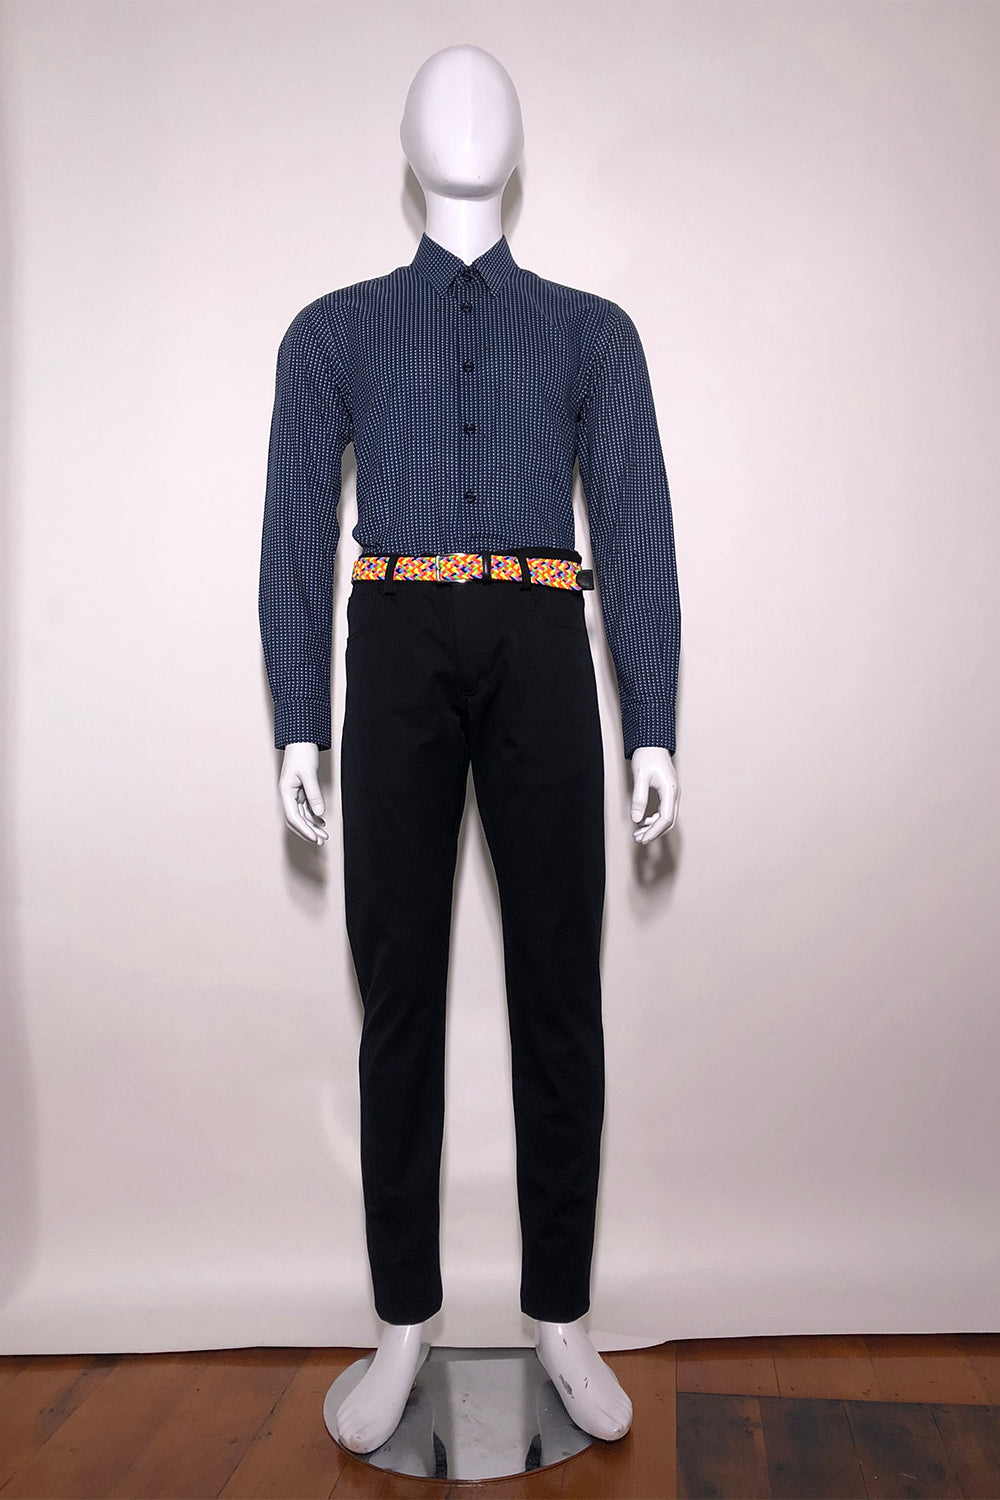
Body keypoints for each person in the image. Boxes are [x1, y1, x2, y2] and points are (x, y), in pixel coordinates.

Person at [258, 43, 681, 1456]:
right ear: (402, 138)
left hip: (542, 636)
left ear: (519, 139)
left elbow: (636, 525)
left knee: (560, 989)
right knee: (399, 996)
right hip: (393, 644)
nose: (465, 112)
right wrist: (299, 717)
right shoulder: (333, 333)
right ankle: (403, 1322)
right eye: (439, 97)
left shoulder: (589, 332)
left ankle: (561, 1314)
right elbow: (293, 532)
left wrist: (654, 720)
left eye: (489, 94)